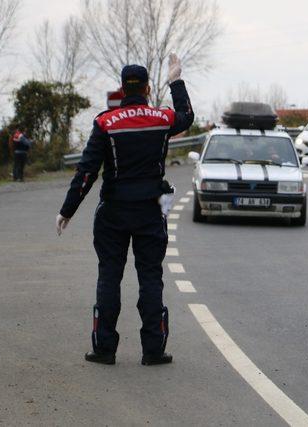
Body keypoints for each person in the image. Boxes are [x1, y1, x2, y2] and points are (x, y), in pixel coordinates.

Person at [55, 54, 194, 366]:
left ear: (121, 88)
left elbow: (87, 171)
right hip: (150, 211)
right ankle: (154, 350)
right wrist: (175, 81)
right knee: (150, 276)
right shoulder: (161, 119)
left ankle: (104, 349)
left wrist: (67, 210)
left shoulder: (105, 123)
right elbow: (186, 115)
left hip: (113, 212)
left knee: (109, 277)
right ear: (146, 88)